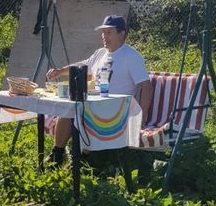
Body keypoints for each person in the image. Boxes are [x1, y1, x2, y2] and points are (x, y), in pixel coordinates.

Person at [45, 14, 153, 165]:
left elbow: (146, 86)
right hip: (95, 105)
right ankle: (58, 154)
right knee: (69, 109)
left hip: (117, 110)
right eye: (103, 33)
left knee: (74, 111)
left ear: (122, 34)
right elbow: (83, 68)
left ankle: (82, 158)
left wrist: (143, 114)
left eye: (109, 32)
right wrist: (60, 71)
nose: (104, 36)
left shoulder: (132, 56)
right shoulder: (100, 53)